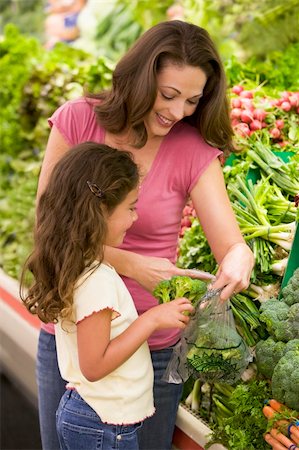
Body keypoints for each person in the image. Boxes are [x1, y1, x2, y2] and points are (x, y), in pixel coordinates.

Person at [35, 20, 255, 450]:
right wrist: (132, 264)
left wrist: (239, 258)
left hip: (150, 352)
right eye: (169, 95)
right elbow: (48, 229)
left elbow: (230, 244)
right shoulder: (80, 120)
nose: (178, 113)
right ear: (140, 78)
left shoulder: (192, 149)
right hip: (71, 340)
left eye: (193, 101)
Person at [21, 142, 194, 450]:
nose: (135, 217)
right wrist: (153, 319)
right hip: (102, 425)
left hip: (94, 419)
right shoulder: (95, 279)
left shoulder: (79, 263)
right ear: (99, 211)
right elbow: (95, 365)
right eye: (130, 207)